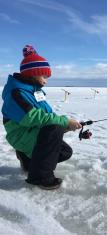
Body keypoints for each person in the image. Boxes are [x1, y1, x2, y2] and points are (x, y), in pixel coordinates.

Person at [1, 45, 82, 190]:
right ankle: (40, 177)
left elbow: (48, 116)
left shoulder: (35, 92)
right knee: (55, 128)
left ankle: (28, 161)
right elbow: (32, 117)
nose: (46, 81)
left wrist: (66, 126)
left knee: (65, 152)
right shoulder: (16, 93)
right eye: (44, 76)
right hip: (21, 134)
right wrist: (63, 122)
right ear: (33, 74)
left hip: (31, 133)